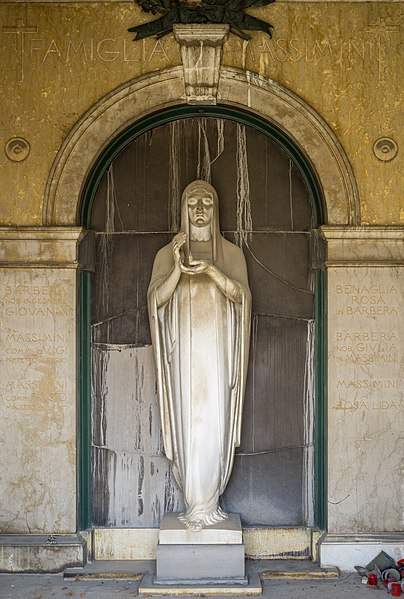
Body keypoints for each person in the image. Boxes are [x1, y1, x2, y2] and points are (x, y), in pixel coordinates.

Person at [148, 180, 251, 531]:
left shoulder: (232, 254)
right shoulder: (166, 255)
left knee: (213, 423)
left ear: (216, 210)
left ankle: (210, 505)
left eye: (207, 201)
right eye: (193, 202)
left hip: (218, 357)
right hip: (183, 360)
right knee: (189, 424)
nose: (200, 208)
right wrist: (177, 267)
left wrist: (212, 272)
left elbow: (242, 298)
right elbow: (156, 302)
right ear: (184, 210)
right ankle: (195, 505)